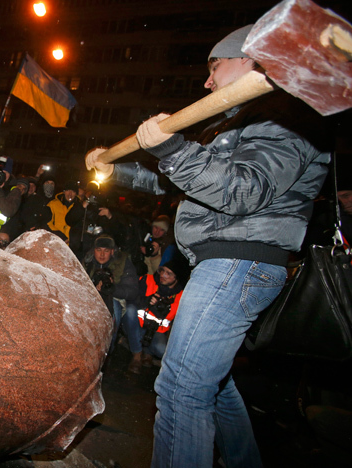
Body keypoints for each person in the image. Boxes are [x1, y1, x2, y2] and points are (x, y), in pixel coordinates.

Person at [86, 24, 330, 467]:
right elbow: (176, 183)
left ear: (250, 59)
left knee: (181, 387)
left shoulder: (285, 115)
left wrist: (175, 149)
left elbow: (244, 191)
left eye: (214, 66)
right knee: (212, 387)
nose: (207, 81)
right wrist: (110, 165)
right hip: (222, 263)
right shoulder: (240, 121)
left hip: (239, 261)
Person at [125, 255, 188, 374]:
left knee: (162, 350)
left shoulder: (181, 296)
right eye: (162, 271)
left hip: (157, 332)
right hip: (136, 326)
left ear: (177, 278)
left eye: (168, 273)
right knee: (129, 310)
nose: (163, 275)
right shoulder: (148, 280)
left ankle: (148, 352)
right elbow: (131, 298)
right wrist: (146, 301)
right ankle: (137, 355)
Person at [83, 234, 139, 353]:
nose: (102, 254)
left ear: (112, 251)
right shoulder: (87, 262)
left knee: (114, 309)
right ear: (94, 251)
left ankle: (108, 348)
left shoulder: (123, 262)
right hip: (90, 298)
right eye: (99, 250)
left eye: (106, 251)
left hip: (116, 298)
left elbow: (132, 291)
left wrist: (112, 287)